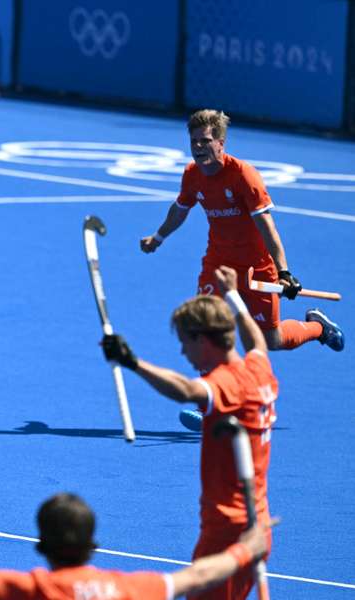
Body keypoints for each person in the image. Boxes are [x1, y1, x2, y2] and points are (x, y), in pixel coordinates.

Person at [102, 266, 275, 600]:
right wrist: (233, 294)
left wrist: (132, 362)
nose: (183, 353)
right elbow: (256, 340)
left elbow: (184, 390)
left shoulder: (227, 385)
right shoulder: (259, 370)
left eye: (185, 343)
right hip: (257, 521)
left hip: (228, 530)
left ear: (203, 339)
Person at [140, 109, 344, 355]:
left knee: (271, 341)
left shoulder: (244, 176)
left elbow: (266, 226)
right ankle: (219, 387)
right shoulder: (192, 174)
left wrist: (284, 272)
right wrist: (158, 237)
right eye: (194, 141)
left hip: (256, 268)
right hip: (219, 264)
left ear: (220, 143)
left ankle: (318, 328)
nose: (198, 147)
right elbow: (180, 209)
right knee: (203, 322)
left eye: (205, 141)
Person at [0, 492, 273, 599]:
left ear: (41, 544)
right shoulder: (135, 588)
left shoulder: (35, 589)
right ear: (92, 544)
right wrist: (247, 549)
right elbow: (200, 575)